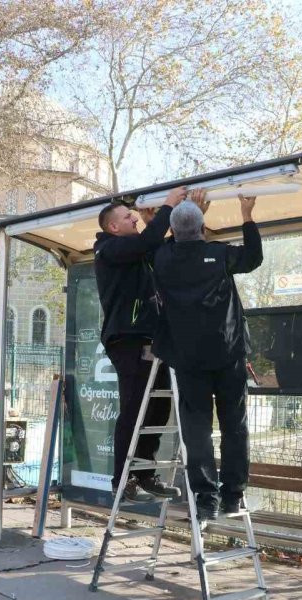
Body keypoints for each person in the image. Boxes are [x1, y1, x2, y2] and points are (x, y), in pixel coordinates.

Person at [151, 195, 263, 521]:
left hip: (188, 360)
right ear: (203, 228)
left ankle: (205, 499)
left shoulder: (163, 259)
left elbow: (167, 244)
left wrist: (188, 220)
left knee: (197, 429)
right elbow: (253, 257)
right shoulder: (220, 254)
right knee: (234, 426)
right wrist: (246, 214)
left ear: (173, 231)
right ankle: (233, 496)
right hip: (228, 355)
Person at [94, 184, 188, 502]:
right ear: (113, 227)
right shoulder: (108, 249)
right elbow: (147, 242)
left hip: (153, 339)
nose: (134, 218)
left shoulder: (133, 250)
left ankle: (145, 474)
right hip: (129, 340)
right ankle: (122, 481)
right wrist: (168, 206)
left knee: (158, 408)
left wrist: (153, 222)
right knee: (134, 408)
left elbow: (155, 247)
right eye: (128, 216)